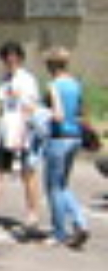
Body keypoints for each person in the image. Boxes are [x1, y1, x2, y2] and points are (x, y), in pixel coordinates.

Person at [0, 41, 41, 229]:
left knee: (27, 174)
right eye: (6, 58)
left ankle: (32, 213)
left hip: (21, 133)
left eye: (13, 57)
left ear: (20, 58)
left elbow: (30, 108)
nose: (10, 61)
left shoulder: (27, 80)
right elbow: (2, 108)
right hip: (4, 132)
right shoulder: (3, 80)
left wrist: (22, 134)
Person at [42, 47, 89, 249]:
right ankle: (80, 222)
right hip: (74, 137)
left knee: (53, 187)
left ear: (50, 66)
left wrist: (41, 113)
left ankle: (59, 232)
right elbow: (81, 113)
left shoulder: (54, 86)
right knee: (63, 185)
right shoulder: (76, 85)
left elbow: (58, 115)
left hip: (58, 138)